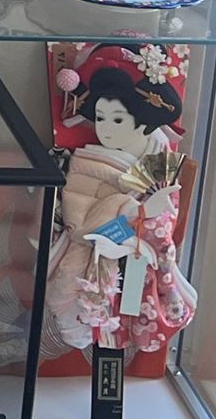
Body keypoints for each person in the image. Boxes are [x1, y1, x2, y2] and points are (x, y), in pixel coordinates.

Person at [41, 68, 198, 362]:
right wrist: (133, 210)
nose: (106, 129)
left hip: (139, 256)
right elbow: (81, 227)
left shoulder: (158, 163)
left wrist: (147, 219)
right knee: (91, 312)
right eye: (100, 118)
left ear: (143, 123)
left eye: (117, 119)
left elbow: (166, 224)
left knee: (132, 305)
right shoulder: (86, 162)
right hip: (94, 255)